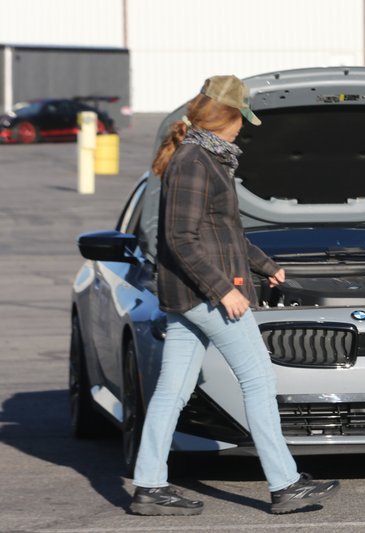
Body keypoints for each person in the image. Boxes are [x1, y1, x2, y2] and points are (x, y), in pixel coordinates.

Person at [130, 75, 340, 516]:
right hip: (206, 296)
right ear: (224, 118)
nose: (243, 128)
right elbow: (181, 239)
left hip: (192, 296)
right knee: (259, 380)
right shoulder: (193, 162)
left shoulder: (206, 158)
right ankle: (285, 485)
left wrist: (267, 266)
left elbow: (224, 233)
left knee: (172, 391)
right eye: (240, 119)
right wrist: (224, 290)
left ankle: (149, 486)